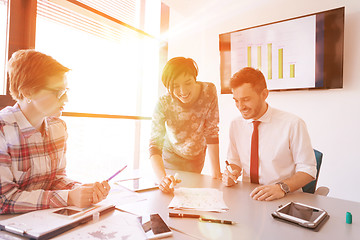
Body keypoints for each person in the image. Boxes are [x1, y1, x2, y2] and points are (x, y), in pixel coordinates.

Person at [0, 49, 110, 214]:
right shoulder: (3, 130)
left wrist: (82, 190)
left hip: (43, 222)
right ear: (27, 92)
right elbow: (4, 200)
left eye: (66, 91)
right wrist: (68, 197)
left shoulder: (58, 128)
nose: (66, 99)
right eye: (57, 92)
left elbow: (56, 180)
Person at [222, 67, 317, 201]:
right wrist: (232, 173)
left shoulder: (292, 124)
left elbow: (308, 170)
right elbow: (234, 161)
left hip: (285, 198)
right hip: (249, 197)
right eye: (236, 100)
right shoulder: (236, 124)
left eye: (246, 99)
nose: (240, 106)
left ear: (264, 94)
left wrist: (281, 188)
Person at [149, 57, 221, 193]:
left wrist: (216, 174)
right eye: (175, 86)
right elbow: (154, 145)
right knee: (168, 194)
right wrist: (162, 179)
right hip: (170, 156)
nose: (183, 91)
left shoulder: (209, 91)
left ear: (195, 78)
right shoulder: (163, 103)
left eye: (188, 83)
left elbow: (211, 132)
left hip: (196, 157)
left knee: (190, 197)